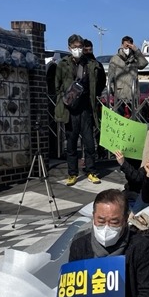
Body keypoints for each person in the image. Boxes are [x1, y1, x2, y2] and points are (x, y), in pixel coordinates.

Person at [54, 34, 105, 186]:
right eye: (75, 47)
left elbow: (101, 82)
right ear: (69, 48)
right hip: (70, 109)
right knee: (71, 143)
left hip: (86, 107)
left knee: (89, 142)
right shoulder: (63, 64)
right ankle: (72, 173)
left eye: (80, 47)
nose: (78, 50)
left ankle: (91, 171)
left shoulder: (91, 63)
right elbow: (56, 85)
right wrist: (65, 98)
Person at [107, 36, 148, 116]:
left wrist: (136, 50)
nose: (127, 48)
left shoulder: (135, 59)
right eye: (126, 45)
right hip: (119, 95)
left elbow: (144, 64)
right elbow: (110, 77)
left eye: (130, 46)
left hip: (133, 94)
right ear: (121, 45)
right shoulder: (115, 59)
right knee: (119, 117)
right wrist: (113, 91)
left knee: (135, 118)